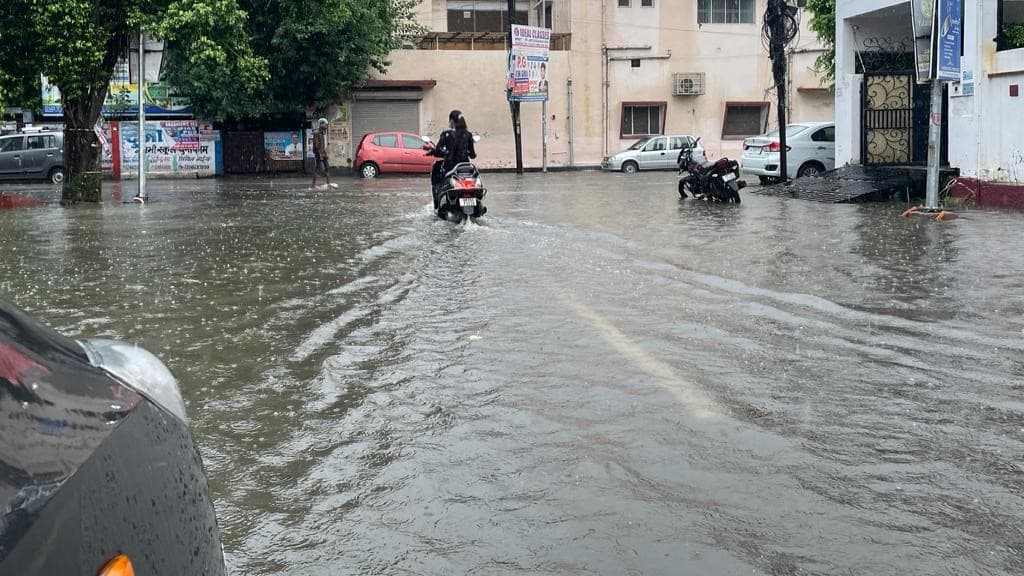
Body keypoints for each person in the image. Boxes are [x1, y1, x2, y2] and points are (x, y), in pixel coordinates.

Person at [311, 118, 334, 189]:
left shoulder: (321, 133)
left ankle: (329, 184)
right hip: (319, 153)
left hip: (323, 153)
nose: (326, 126)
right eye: (325, 125)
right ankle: (313, 185)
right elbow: (317, 146)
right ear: (321, 125)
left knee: (327, 167)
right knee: (317, 169)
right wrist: (320, 154)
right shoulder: (317, 133)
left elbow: (321, 145)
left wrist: (324, 153)